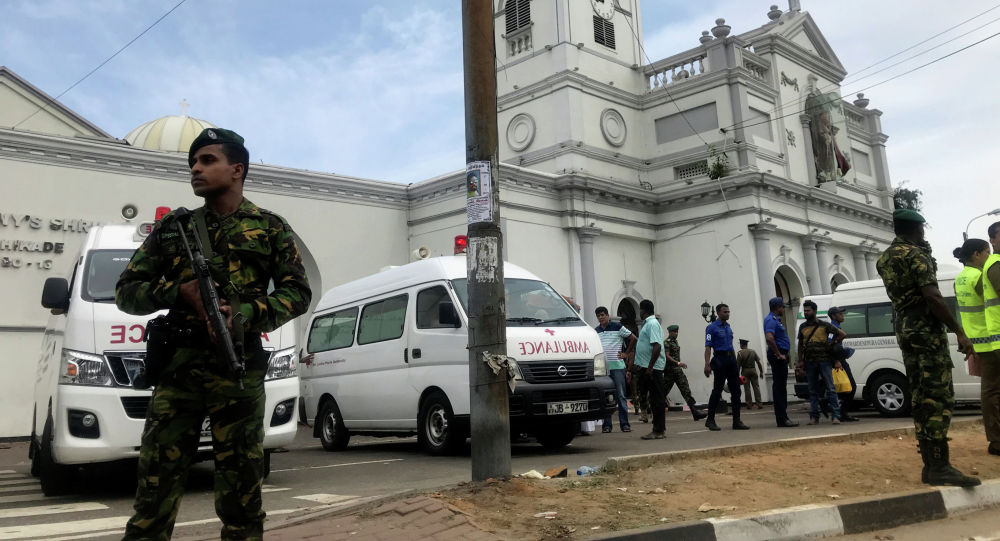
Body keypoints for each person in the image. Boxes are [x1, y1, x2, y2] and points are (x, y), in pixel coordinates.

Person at [116, 128, 313, 539]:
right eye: (193, 161)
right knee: (155, 489)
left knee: (241, 493)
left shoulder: (269, 227)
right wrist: (177, 292)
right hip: (178, 371)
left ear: (236, 169)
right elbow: (126, 292)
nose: (195, 168)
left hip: (236, 372)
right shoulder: (175, 228)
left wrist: (244, 313)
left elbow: (297, 293)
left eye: (207, 160)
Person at [876, 209, 979, 486]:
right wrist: (958, 331)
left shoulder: (885, 258)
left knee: (921, 395)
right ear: (918, 229)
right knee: (938, 395)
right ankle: (939, 466)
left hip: (905, 330)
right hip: (925, 331)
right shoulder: (916, 255)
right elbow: (932, 297)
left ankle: (930, 464)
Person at [798, 300, 846, 425]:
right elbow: (800, 344)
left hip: (824, 360)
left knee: (831, 388)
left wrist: (832, 344)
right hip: (809, 362)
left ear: (814, 311)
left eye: (808, 310)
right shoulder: (802, 327)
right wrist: (800, 361)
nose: (806, 312)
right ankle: (814, 417)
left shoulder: (824, 325)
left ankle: (836, 416)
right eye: (805, 310)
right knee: (812, 390)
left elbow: (841, 334)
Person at [703, 304, 749, 431]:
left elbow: (731, 346)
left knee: (736, 391)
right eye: (725, 312)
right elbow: (708, 347)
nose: (728, 314)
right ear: (718, 313)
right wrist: (707, 364)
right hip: (720, 359)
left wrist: (735, 363)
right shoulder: (711, 328)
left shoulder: (728, 327)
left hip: (731, 360)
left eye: (728, 311)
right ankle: (710, 420)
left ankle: (737, 421)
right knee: (717, 390)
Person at [976, 227, 1000, 457]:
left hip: (992, 339)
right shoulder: (996, 264)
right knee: (992, 392)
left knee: (992, 391)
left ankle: (996, 441)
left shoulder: (989, 265)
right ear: (992, 240)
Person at [595, 306, 638, 433]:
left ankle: (625, 424)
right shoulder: (596, 331)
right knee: (605, 397)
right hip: (603, 370)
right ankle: (607, 425)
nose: (601, 317)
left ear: (608, 315)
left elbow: (633, 338)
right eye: (598, 316)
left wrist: (626, 353)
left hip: (618, 368)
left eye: (603, 315)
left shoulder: (617, 327)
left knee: (620, 396)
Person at [634, 300, 667, 439]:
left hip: (653, 368)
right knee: (652, 399)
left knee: (657, 399)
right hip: (646, 367)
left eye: (640, 310)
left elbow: (657, 346)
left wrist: (650, 366)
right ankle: (658, 429)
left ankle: (658, 430)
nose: (639, 313)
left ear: (644, 310)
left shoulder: (652, 324)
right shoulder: (648, 324)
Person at [764, 297, 798, 427]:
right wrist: (778, 354)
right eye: (782, 307)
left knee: (780, 387)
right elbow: (769, 337)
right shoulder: (771, 320)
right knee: (779, 388)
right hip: (778, 356)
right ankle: (782, 418)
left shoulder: (775, 320)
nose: (783, 309)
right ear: (777, 307)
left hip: (780, 355)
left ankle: (783, 417)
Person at [662, 325, 708, 421]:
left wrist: (679, 364)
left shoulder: (675, 342)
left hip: (678, 371)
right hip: (670, 371)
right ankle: (656, 414)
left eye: (677, 332)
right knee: (662, 392)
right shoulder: (666, 342)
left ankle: (695, 413)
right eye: (674, 332)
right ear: (670, 332)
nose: (676, 334)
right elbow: (667, 356)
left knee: (686, 390)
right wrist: (678, 363)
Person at [827, 306, 860, 422]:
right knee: (850, 387)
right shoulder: (832, 328)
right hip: (838, 361)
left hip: (839, 359)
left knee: (843, 388)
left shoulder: (836, 326)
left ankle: (841, 413)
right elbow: (830, 345)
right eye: (840, 314)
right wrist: (836, 360)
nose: (842, 315)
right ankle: (840, 412)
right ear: (834, 316)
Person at [737, 339, 764, 409]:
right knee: (756, 387)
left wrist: (736, 375)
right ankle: (759, 404)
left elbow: (738, 366)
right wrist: (761, 372)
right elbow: (758, 363)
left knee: (747, 389)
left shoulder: (740, 353)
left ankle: (749, 405)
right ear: (746, 345)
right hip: (753, 370)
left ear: (741, 345)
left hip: (745, 371)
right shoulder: (753, 352)